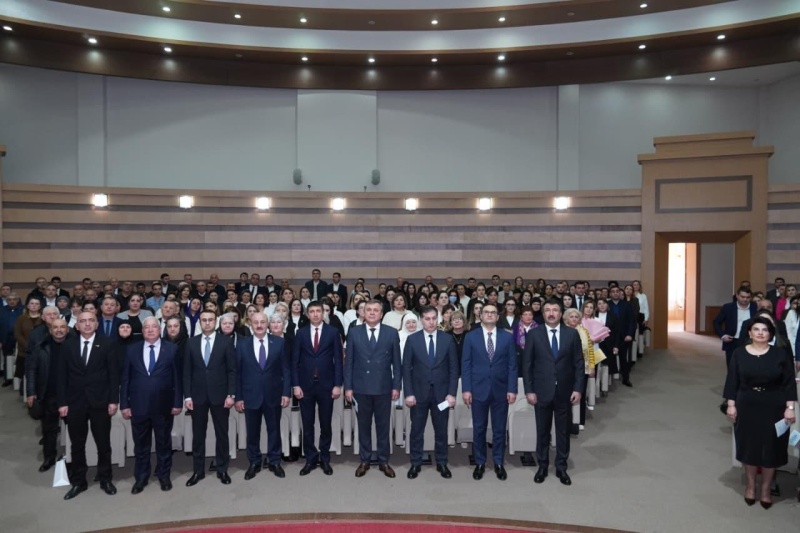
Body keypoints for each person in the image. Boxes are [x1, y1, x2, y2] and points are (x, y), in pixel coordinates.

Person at [723, 317, 797, 508]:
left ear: (770, 333)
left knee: (771, 448)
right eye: (756, 329)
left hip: (774, 405)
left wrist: (790, 408)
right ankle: (750, 486)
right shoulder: (739, 353)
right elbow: (732, 381)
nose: (760, 333)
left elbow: (789, 383)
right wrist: (731, 404)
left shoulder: (780, 354)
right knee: (749, 446)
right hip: (746, 404)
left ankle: (765, 489)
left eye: (765, 330)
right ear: (750, 332)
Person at [56, 312, 120, 499]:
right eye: (82, 321)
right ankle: (79, 481)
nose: (87, 324)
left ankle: (105, 478)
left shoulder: (108, 344)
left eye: (91, 320)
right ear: (76, 326)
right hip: (74, 403)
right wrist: (62, 402)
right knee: (77, 444)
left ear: (97, 324)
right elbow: (61, 377)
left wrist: (113, 400)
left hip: (100, 402)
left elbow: (113, 375)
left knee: (103, 444)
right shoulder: (67, 345)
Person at [522, 298, 584, 486]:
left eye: (555, 310)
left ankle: (561, 467)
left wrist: (578, 388)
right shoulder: (534, 334)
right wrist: (529, 390)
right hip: (541, 391)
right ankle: (542, 466)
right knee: (542, 431)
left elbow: (578, 363)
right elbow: (527, 365)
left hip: (565, 391)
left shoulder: (572, 334)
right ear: (543, 313)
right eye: (547, 310)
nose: (551, 313)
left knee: (563, 431)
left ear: (561, 313)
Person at [120, 317, 182, 494]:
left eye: (154, 326)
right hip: (138, 406)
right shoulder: (131, 349)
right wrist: (124, 404)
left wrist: (177, 402)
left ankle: (164, 475)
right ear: (142, 330)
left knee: (163, 443)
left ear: (160, 329)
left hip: (163, 405)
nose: (150, 330)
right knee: (141, 445)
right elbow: (125, 379)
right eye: (146, 327)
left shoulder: (172, 349)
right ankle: (141, 477)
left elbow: (177, 378)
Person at [344, 300, 402, 478]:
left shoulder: (391, 333)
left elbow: (397, 363)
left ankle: (384, 461)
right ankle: (365, 460)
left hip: (383, 387)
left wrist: (396, 386)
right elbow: (349, 362)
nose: (371, 313)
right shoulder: (354, 332)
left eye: (375, 310)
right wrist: (348, 387)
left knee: (383, 426)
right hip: (360, 388)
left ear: (381, 314)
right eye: (368, 309)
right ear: (363, 313)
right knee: (363, 426)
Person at [461, 304, 518, 481]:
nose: (490, 315)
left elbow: (512, 365)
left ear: (498, 316)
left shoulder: (507, 337)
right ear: (481, 315)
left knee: (499, 429)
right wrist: (466, 389)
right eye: (486, 312)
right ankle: (480, 462)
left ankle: (498, 462)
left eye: (493, 312)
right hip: (478, 389)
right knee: (479, 428)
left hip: (501, 390)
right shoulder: (471, 336)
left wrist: (512, 389)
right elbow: (466, 364)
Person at [402, 306, 458, 480]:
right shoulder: (412, 340)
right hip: (418, 394)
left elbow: (453, 369)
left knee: (441, 431)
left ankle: (442, 462)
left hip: (442, 395)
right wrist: (408, 393)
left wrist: (452, 393)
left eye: (434, 318)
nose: (431, 322)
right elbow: (406, 369)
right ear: (421, 320)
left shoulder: (447, 339)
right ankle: (415, 463)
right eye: (427, 319)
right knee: (416, 431)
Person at [183, 310, 237, 487]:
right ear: (200, 322)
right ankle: (198, 471)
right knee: (198, 435)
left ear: (216, 322)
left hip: (220, 396)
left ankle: (222, 469)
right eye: (204, 320)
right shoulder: (191, 342)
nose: (207, 323)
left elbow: (232, 370)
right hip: (197, 396)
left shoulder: (225, 341)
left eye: (210, 320)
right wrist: (187, 396)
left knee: (222, 434)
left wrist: (231, 394)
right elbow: (187, 372)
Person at [235, 312, 290, 481]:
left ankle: (275, 461)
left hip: (273, 394)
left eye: (262, 322)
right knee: (252, 432)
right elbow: (238, 373)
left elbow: (286, 369)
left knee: (274, 430)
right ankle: (254, 462)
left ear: (268, 324)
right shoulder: (242, 345)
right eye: (255, 322)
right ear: (250, 324)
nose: (259, 325)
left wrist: (286, 392)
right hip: (250, 395)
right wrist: (239, 397)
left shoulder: (279, 342)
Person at [292, 301, 343, 476]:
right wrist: (296, 385)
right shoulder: (301, 333)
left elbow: (338, 360)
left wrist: (337, 384)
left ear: (323, 313)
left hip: (327, 386)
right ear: (307, 314)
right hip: (305, 386)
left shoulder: (333, 332)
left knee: (325, 424)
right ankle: (310, 459)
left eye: (318, 311)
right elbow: (295, 361)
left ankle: (325, 458)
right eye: (312, 311)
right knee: (307, 425)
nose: (315, 314)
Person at [26, 318, 72, 473]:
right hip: (48, 394)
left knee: (74, 430)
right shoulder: (40, 347)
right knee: (49, 430)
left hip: (71, 396)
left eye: (62, 327)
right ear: (50, 330)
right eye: (55, 327)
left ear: (67, 329)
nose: (59, 330)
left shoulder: (75, 346)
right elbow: (31, 370)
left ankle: (74, 459)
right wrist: (31, 392)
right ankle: (49, 458)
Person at [562, 307, 596, 432]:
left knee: (580, 394)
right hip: (565, 370)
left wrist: (591, 366)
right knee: (566, 397)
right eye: (571, 317)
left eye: (576, 317)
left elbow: (590, 350)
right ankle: (567, 423)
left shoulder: (584, 331)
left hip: (582, 368)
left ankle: (580, 421)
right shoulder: (562, 331)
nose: (574, 319)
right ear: (566, 319)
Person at [714, 286, 758, 367]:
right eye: (742, 297)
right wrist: (722, 335)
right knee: (732, 366)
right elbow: (716, 322)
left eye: (748, 297)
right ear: (737, 295)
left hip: (750, 341)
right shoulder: (728, 307)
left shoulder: (755, 307)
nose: (745, 299)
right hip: (732, 340)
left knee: (749, 366)